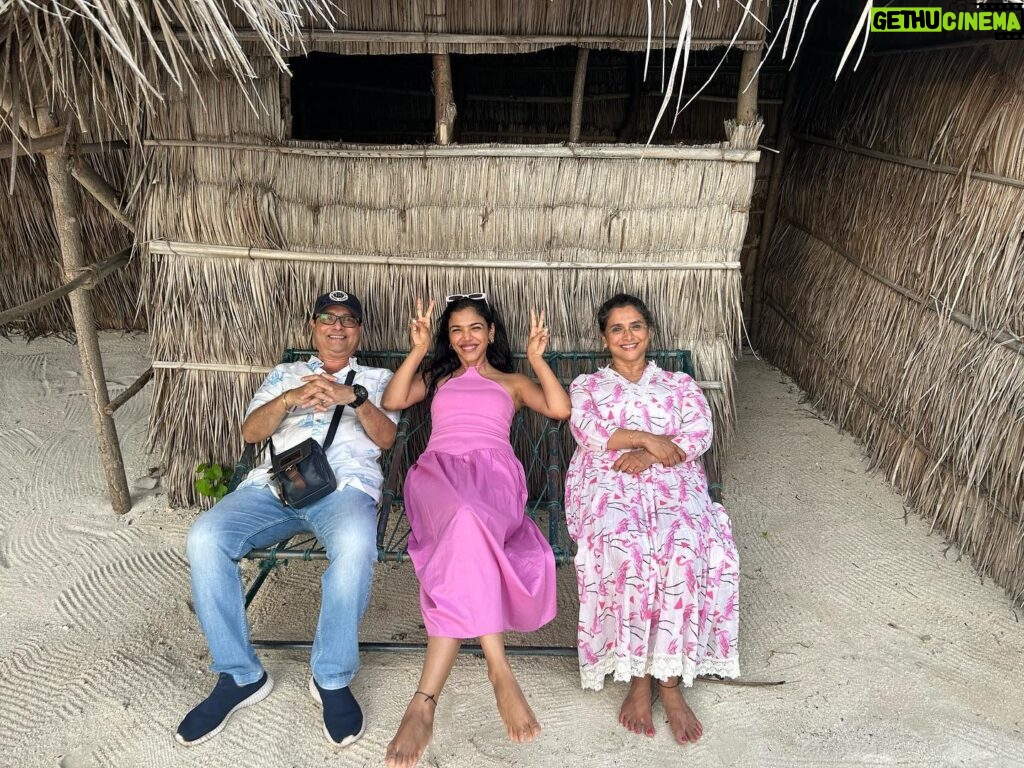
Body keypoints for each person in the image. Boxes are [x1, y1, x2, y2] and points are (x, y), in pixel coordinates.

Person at [176, 290, 398, 747]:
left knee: (356, 549)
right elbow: (250, 432)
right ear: (313, 327)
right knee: (205, 537)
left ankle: (331, 677)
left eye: (348, 320)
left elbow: (387, 437)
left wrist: (351, 398)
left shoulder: (377, 379)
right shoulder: (284, 374)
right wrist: (292, 398)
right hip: (275, 488)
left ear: (359, 331)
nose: (337, 327)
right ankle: (240, 676)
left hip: (344, 491)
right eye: (327, 319)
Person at [381, 293, 571, 768]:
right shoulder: (439, 376)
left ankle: (423, 701)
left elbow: (560, 409)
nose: (466, 338)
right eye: (456, 331)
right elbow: (393, 399)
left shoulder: (512, 381)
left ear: (490, 332)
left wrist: (535, 360)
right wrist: (420, 349)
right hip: (438, 479)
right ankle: (498, 667)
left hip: (495, 481)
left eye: (475, 328)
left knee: (469, 520)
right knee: (463, 516)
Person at [563, 293, 739, 744]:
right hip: (607, 484)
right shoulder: (587, 386)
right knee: (629, 548)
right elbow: (587, 430)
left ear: (650, 332)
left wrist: (651, 455)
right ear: (605, 338)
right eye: (617, 328)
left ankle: (670, 683)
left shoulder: (680, 384)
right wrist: (645, 440)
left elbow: (698, 432)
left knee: (683, 548)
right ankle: (640, 679)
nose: (628, 336)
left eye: (636, 326)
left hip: (673, 481)